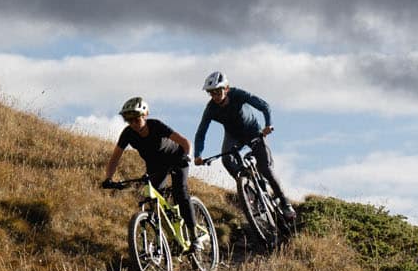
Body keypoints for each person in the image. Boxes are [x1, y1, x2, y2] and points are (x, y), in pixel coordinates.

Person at [101, 96, 205, 250]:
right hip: (155, 166)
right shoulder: (128, 133)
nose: (133, 124)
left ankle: (194, 236)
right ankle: (168, 236)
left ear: (145, 115)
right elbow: (115, 158)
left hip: (176, 159)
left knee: (180, 192)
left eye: (136, 119)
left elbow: (184, 142)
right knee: (151, 198)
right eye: (128, 121)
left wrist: (187, 156)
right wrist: (108, 178)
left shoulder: (156, 126)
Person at [192, 71, 291, 216]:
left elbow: (264, 106)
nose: (215, 96)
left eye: (218, 92)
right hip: (233, 136)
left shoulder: (237, 94)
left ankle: (285, 202)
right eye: (211, 93)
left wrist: (268, 124)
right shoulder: (211, 108)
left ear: (226, 88)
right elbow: (201, 132)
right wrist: (198, 155)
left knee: (266, 169)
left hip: (253, 132)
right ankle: (248, 190)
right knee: (227, 160)